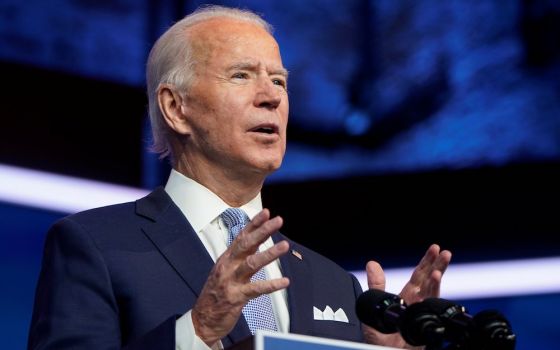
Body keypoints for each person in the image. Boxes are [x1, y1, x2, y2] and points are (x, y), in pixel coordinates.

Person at [28, 5, 451, 350]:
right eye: (241, 75)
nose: (271, 97)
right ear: (176, 108)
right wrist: (196, 330)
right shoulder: (94, 245)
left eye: (279, 81)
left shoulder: (336, 284)